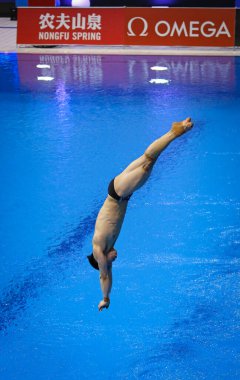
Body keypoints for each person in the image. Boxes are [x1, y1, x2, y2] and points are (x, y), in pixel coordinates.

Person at [88, 117, 193, 311]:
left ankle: (177, 131)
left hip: (118, 193)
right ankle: (176, 130)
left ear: (100, 262)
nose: (114, 261)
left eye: (110, 263)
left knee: (149, 163)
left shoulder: (98, 251)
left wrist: (105, 297)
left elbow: (104, 275)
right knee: (147, 157)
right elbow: (108, 273)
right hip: (119, 191)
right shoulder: (107, 246)